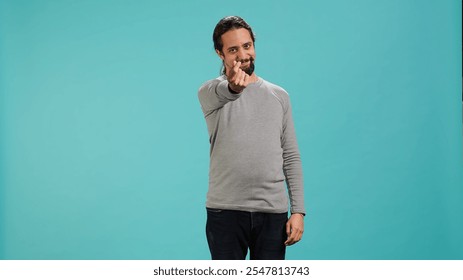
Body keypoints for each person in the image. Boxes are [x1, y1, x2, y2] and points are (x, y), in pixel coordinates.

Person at [198, 16, 305, 260]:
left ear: (254, 45)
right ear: (220, 53)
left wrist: (298, 210)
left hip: (272, 213)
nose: (243, 55)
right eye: (233, 49)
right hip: (225, 212)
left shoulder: (279, 96)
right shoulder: (209, 92)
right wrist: (235, 88)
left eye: (247, 46)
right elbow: (225, 91)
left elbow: (290, 155)